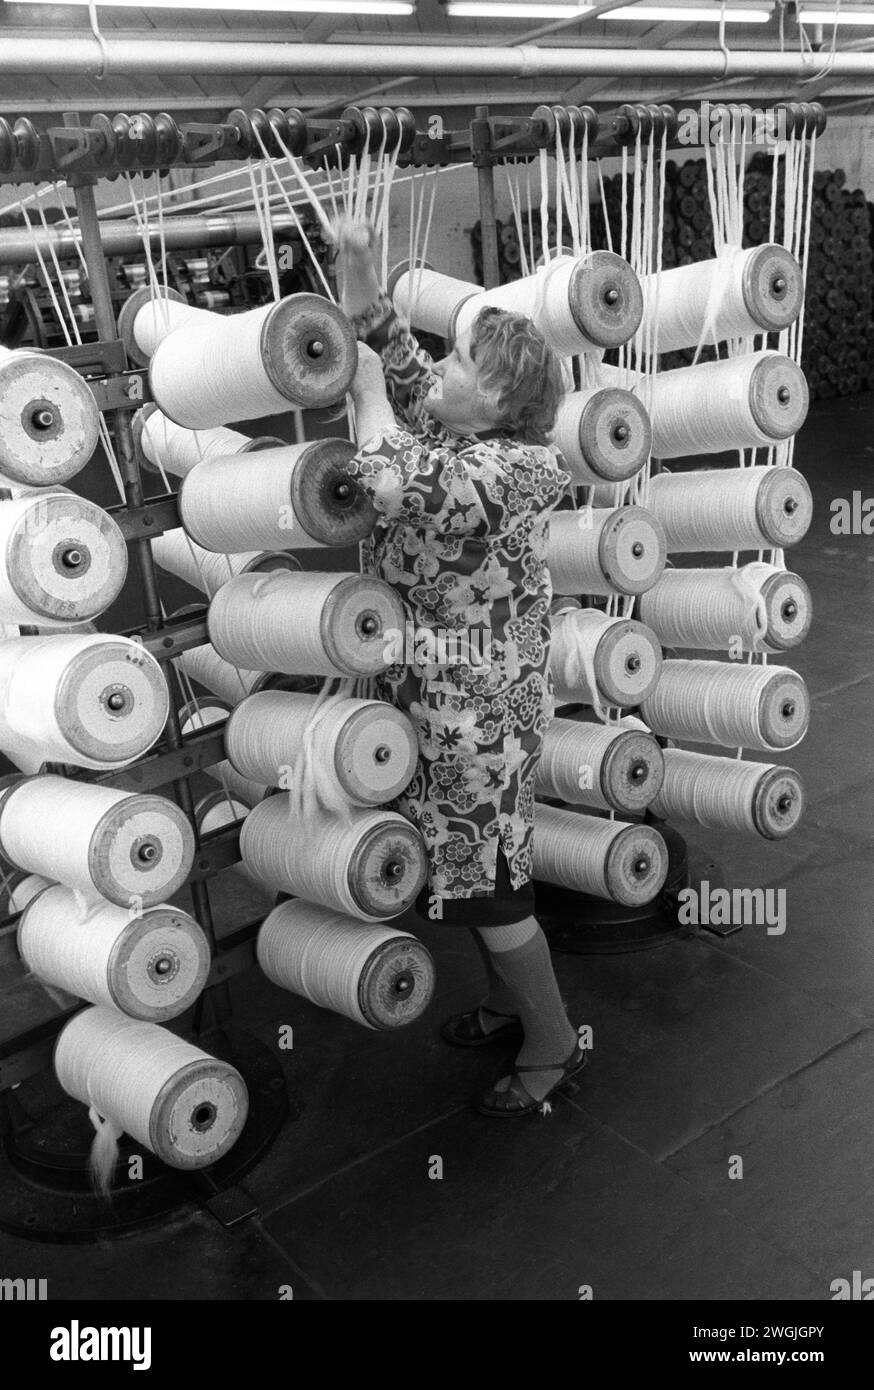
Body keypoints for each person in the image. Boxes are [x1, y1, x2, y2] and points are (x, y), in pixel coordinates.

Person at [336, 219, 585, 1116]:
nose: (438, 368)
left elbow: (387, 483)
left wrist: (364, 389)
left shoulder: (509, 471)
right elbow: (407, 371)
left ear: (502, 402)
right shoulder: (460, 431)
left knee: (496, 888)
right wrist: (364, 290)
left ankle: (554, 1042)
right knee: (465, 878)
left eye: (462, 363)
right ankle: (505, 1004)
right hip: (447, 705)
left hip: (480, 721)